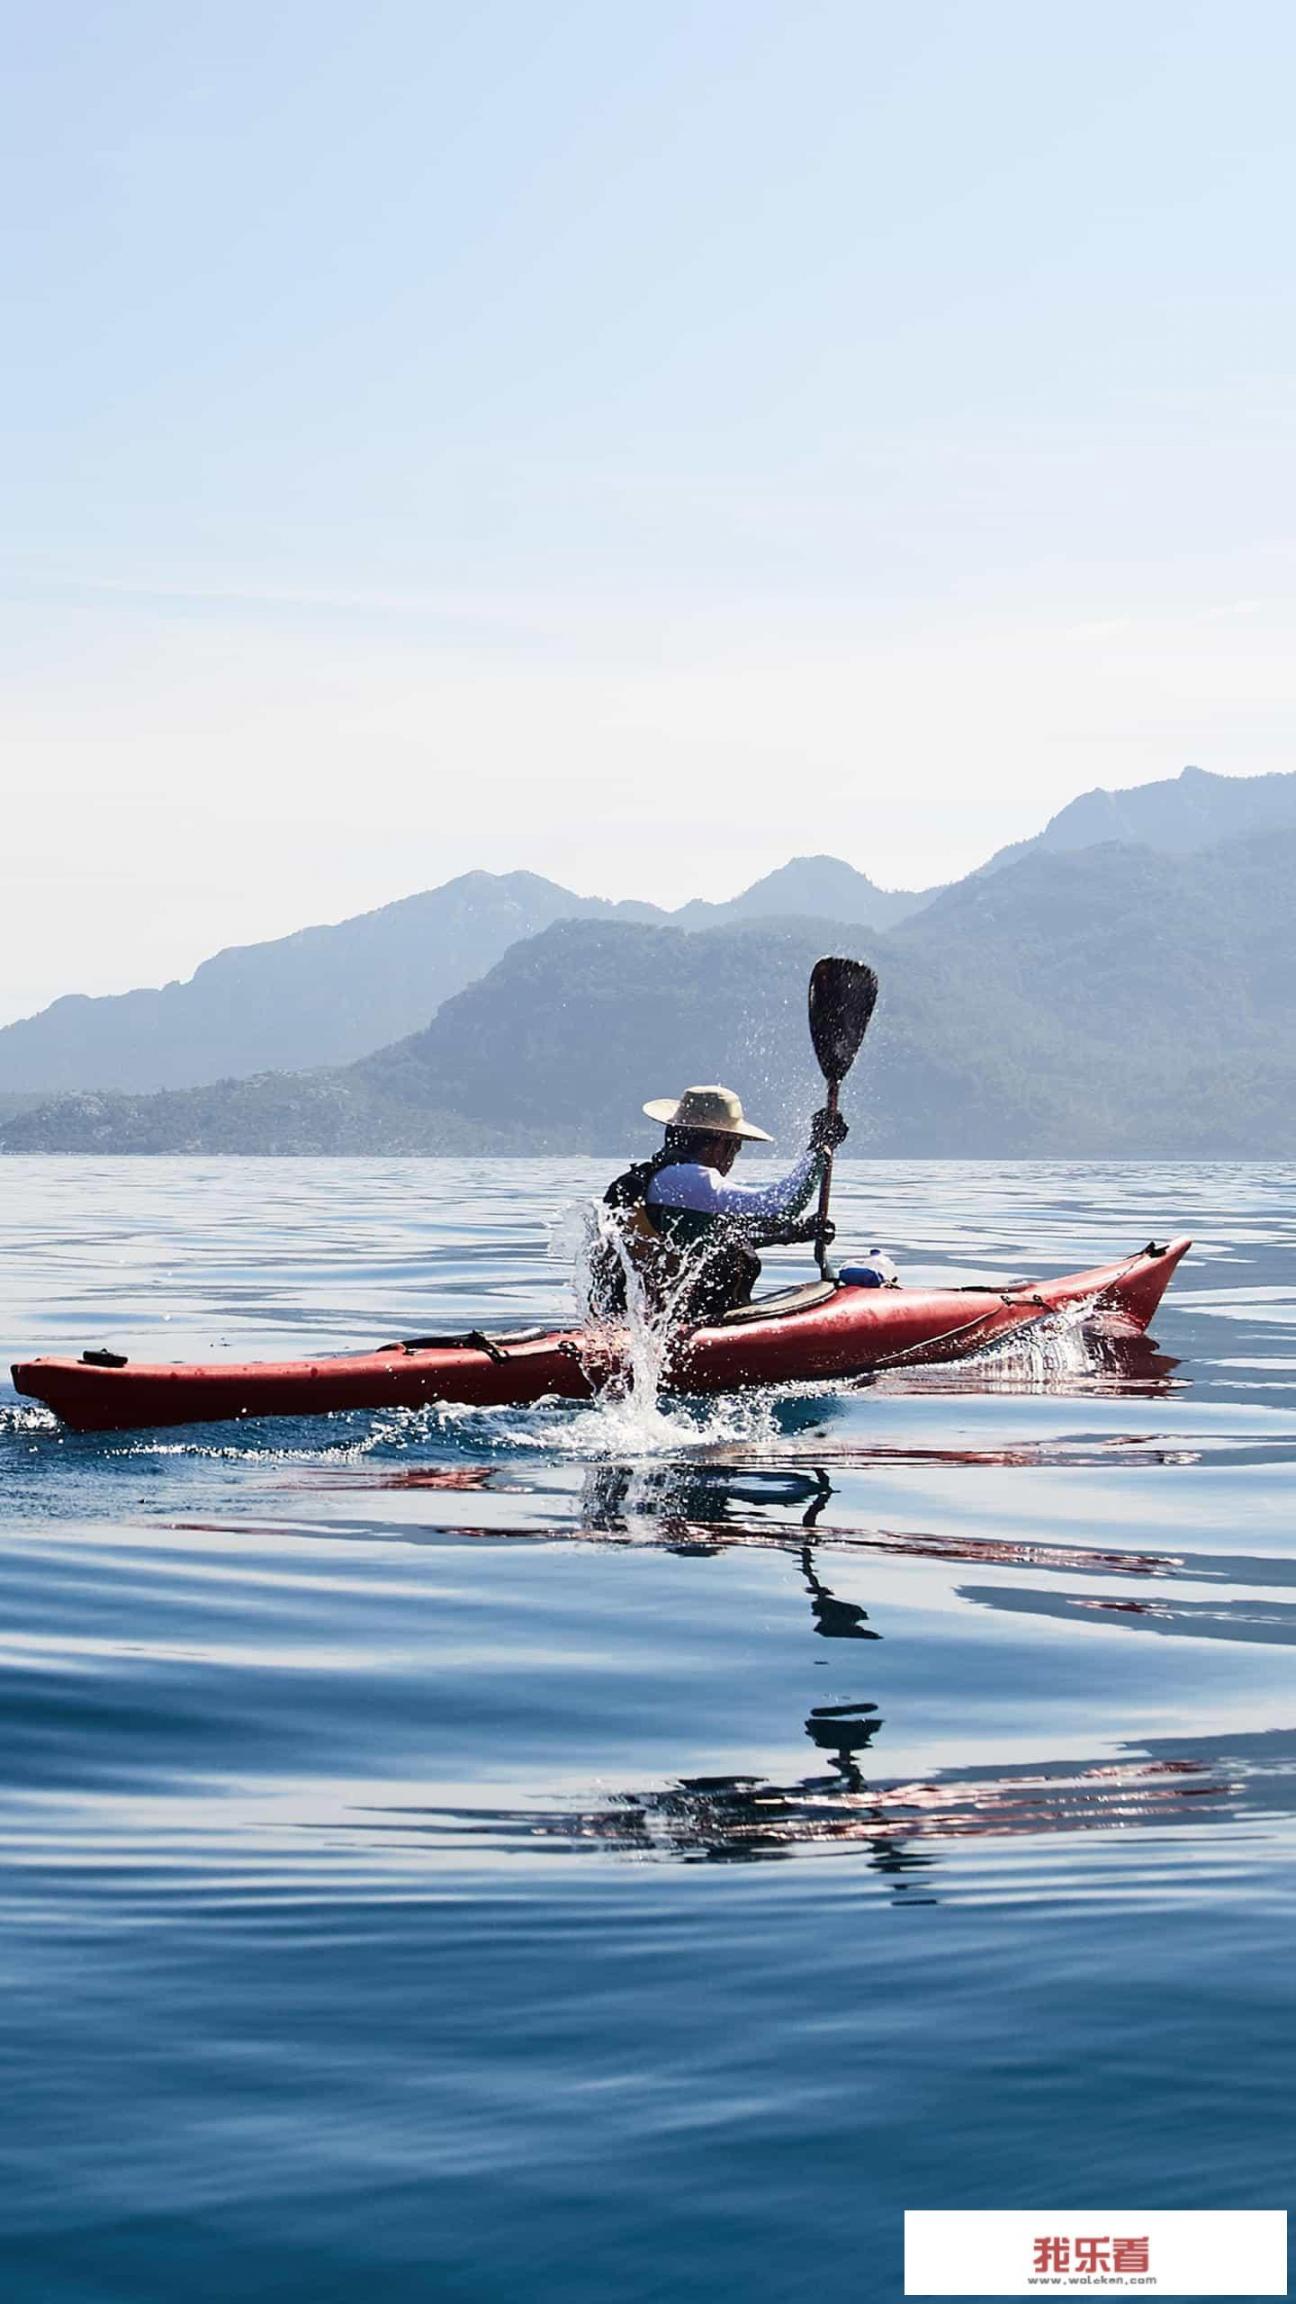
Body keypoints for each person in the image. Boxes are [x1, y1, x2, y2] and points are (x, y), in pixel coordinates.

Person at [591, 1083, 849, 1326]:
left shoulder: (664, 1178)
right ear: (718, 1145)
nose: (734, 1156)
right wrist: (819, 1148)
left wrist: (792, 1234)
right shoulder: (692, 1179)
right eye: (735, 1147)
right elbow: (781, 1206)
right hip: (679, 1329)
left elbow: (711, 1238)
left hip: (653, 1320)